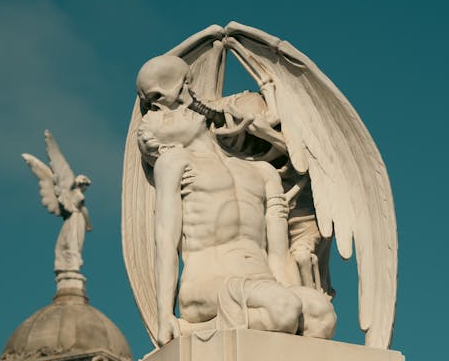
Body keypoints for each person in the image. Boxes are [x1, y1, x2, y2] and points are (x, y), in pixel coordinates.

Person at [137, 106, 336, 346]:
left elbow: (278, 254)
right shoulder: (175, 162)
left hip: (265, 284)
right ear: (166, 146)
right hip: (207, 284)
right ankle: (190, 327)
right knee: (282, 309)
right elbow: (165, 241)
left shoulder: (262, 170)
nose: (181, 110)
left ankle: (207, 328)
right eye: (168, 118)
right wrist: (164, 315)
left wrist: (292, 295)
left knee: (321, 316)